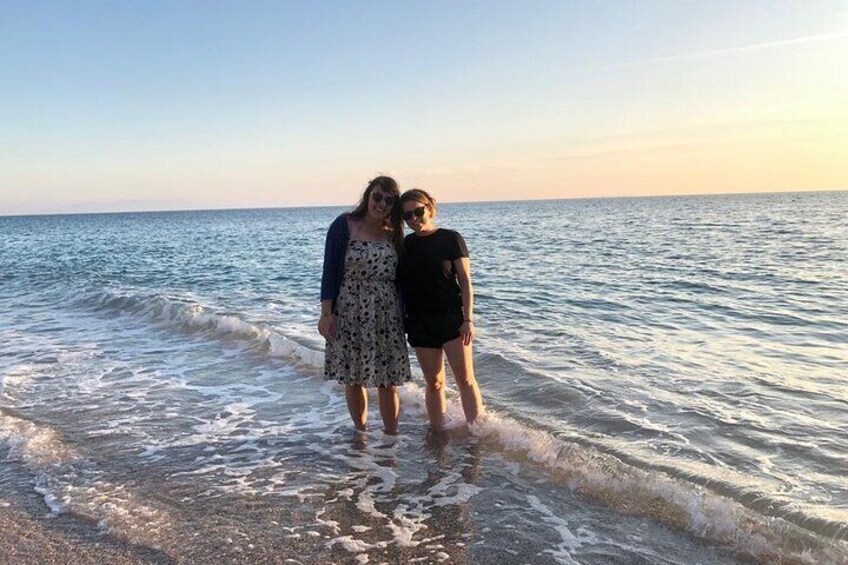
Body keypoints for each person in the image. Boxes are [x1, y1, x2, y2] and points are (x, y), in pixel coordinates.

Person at [319, 176, 411, 435]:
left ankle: (391, 439)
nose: (381, 204)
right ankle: (361, 434)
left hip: (386, 313)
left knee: (388, 379)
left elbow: (403, 277)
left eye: (388, 200)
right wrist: (327, 313)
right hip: (350, 309)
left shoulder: (394, 234)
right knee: (354, 376)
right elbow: (329, 271)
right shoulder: (344, 225)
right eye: (377, 197)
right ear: (368, 195)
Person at [398, 189, 484, 430]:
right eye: (407, 216)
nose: (413, 218)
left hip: (452, 320)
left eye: (417, 211)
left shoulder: (450, 239)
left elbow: (465, 282)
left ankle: (477, 432)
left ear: (430, 208)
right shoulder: (405, 245)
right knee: (434, 382)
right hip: (419, 322)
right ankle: (438, 431)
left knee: (465, 380)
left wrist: (468, 320)